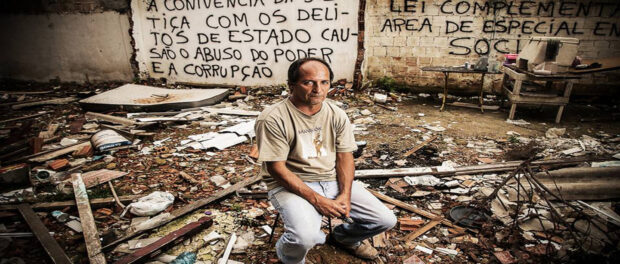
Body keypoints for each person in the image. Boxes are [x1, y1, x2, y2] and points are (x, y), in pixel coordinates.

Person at [254, 57, 397, 264]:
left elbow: (345, 156)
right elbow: (276, 169)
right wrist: (318, 200)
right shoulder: (273, 118)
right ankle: (288, 256)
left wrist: (345, 195)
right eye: (308, 82)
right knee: (304, 238)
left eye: (324, 82)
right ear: (291, 85)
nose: (317, 89)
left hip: (330, 179)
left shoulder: (336, 113)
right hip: (290, 183)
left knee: (384, 220)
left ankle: (344, 238)